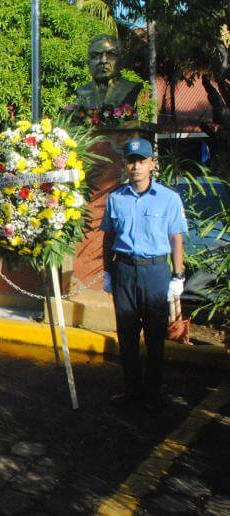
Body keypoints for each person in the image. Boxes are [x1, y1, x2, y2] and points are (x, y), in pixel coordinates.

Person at [101, 138, 187, 413]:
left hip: (155, 272)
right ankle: (132, 389)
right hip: (124, 270)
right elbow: (108, 238)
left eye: (141, 161)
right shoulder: (116, 198)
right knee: (126, 335)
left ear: (152, 163)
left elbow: (176, 239)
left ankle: (153, 391)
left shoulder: (169, 198)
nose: (135, 166)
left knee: (154, 335)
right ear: (125, 164)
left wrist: (178, 276)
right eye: (130, 161)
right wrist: (107, 272)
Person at [75, 34, 143, 109]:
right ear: (88, 62)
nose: (103, 60)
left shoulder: (131, 88)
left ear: (121, 61)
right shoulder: (82, 91)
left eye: (111, 54)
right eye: (95, 55)